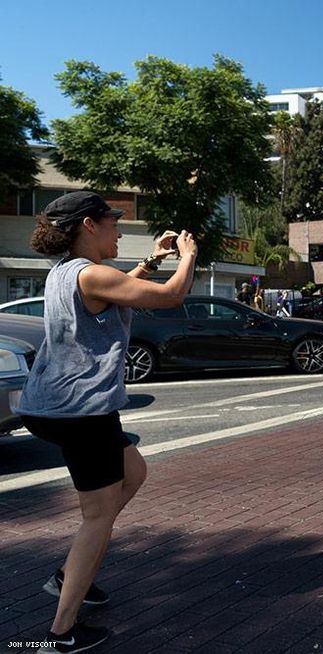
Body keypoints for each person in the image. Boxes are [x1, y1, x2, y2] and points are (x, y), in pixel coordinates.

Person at [15, 191, 197, 652]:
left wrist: (154, 258)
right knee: (97, 518)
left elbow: (121, 291)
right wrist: (188, 257)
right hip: (80, 411)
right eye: (113, 221)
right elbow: (172, 296)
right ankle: (60, 633)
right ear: (88, 226)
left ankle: (73, 571)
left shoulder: (70, 273)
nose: (119, 229)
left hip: (58, 405)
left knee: (133, 473)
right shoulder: (92, 275)